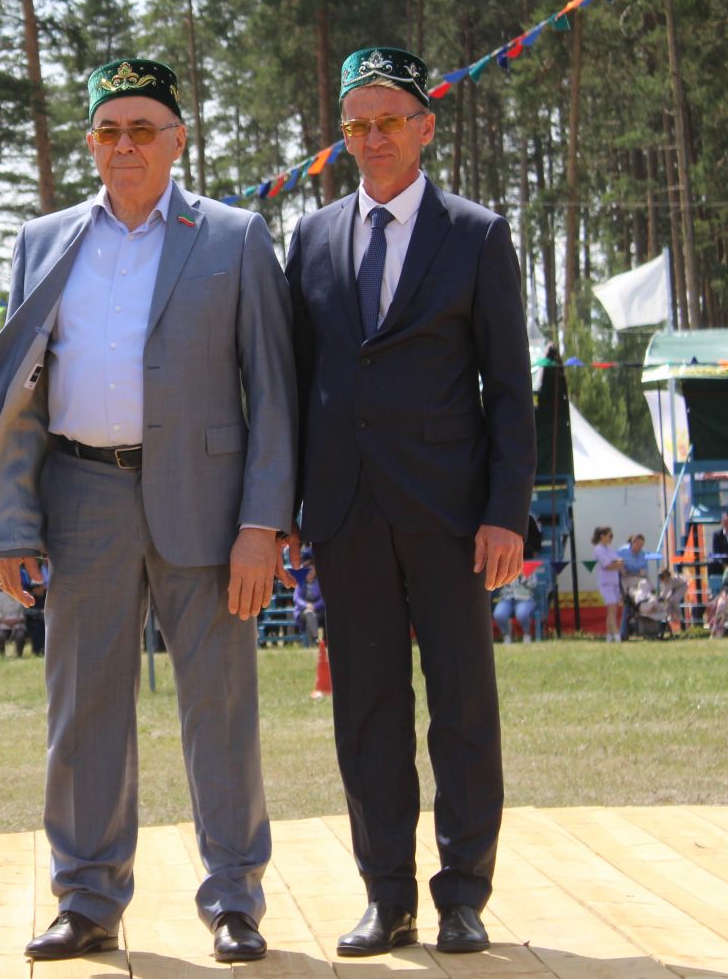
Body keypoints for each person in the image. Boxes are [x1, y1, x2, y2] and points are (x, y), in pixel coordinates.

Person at [0, 58, 292, 966]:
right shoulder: (44, 238)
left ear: (178, 140)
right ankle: (87, 898)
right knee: (83, 708)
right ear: (90, 142)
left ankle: (235, 900)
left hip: (209, 509)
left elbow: (274, 393)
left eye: (143, 129)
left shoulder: (236, 236)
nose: (124, 145)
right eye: (108, 130)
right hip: (80, 495)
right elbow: (20, 393)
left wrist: (264, 523)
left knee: (221, 705)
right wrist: (10, 523)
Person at [281, 46, 532, 957]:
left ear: (426, 126)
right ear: (342, 136)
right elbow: (293, 388)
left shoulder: (476, 235)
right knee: (368, 713)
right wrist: (284, 511)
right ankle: (386, 896)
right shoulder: (309, 240)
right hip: (344, 516)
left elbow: (509, 388)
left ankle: (464, 892)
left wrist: (508, 508)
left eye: (391, 119)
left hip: (451, 515)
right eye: (357, 123)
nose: (374, 137)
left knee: (462, 706)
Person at [592, 527, 623, 642]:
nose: (611, 538)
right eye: (610, 536)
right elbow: (608, 565)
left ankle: (609, 636)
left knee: (613, 611)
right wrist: (617, 563)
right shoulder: (598, 549)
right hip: (605, 583)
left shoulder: (610, 549)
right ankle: (616, 634)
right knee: (612, 609)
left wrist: (616, 564)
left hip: (614, 582)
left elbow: (618, 563)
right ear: (602, 536)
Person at [492, 575, 537, 643]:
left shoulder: (527, 569)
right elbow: (497, 585)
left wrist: (523, 577)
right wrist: (503, 582)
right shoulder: (506, 567)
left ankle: (527, 634)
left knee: (522, 613)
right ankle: (506, 635)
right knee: (499, 614)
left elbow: (533, 584)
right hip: (506, 599)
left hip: (524, 599)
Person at [293, 561, 326, 647]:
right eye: (308, 570)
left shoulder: (320, 582)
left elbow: (323, 599)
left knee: (312, 618)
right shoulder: (301, 582)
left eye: (312, 569)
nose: (310, 571)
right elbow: (296, 598)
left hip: (318, 610)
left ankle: (312, 644)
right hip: (303, 611)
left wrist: (314, 606)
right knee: (309, 614)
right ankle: (315, 638)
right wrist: (306, 605)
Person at [0, 587, 29, 657]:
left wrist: (17, 620)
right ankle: (2, 655)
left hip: (17, 622)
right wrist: (4, 621)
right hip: (3, 622)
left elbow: (23, 612)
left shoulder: (21, 595)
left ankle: (19, 655)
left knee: (20, 636)